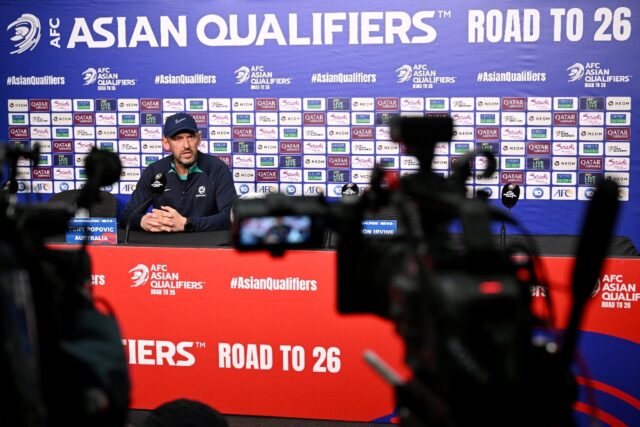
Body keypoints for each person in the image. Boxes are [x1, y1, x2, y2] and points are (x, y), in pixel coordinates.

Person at [120, 113, 237, 233]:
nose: (186, 145)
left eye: (190, 137)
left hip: (207, 245)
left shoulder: (217, 168)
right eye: (178, 139)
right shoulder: (154, 171)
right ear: (166, 143)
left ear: (199, 139)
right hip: (165, 245)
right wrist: (142, 221)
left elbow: (230, 216)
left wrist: (187, 224)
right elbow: (127, 216)